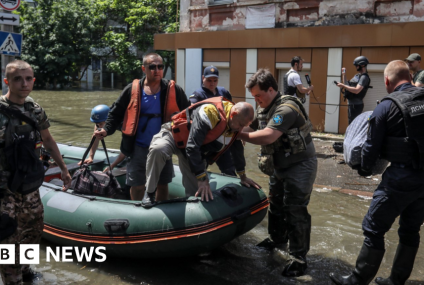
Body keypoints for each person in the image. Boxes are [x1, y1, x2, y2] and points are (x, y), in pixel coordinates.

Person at [329, 60, 424, 285]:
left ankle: (357, 280)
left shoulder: (387, 106)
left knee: (373, 228)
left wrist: (364, 169)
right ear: (410, 77)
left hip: (400, 179)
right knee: (410, 230)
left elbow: (371, 147)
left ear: (387, 81)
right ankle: (396, 281)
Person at [240, 69, 317, 277]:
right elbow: (252, 128)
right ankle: (276, 240)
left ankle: (299, 258)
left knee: (295, 209)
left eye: (258, 95)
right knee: (275, 205)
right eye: (254, 96)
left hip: (300, 165)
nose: (256, 100)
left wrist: (237, 133)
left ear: (272, 89)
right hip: (280, 165)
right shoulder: (265, 107)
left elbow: (266, 136)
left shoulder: (286, 108)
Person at [0, 60, 71, 285]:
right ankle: (13, 279)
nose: (24, 83)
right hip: (4, 187)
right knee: (8, 235)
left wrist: (63, 168)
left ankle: (26, 269)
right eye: (18, 79)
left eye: (28, 78)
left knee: (33, 228)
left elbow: (48, 140)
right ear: (7, 81)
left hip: (29, 183)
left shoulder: (35, 109)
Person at [94, 53, 190, 201]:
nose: (157, 70)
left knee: (162, 184)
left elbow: (188, 113)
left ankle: (160, 213)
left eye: (160, 66)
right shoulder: (131, 89)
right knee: (137, 186)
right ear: (143, 68)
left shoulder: (173, 89)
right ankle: (137, 211)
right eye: (152, 67)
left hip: (163, 146)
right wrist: (106, 129)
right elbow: (115, 112)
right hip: (138, 146)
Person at [142, 97, 260, 207]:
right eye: (240, 125)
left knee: (197, 195)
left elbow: (237, 152)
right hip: (175, 135)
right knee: (158, 149)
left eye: (243, 127)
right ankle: (149, 192)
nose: (240, 130)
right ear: (233, 114)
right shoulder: (210, 112)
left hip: (193, 152)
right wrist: (202, 179)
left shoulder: (234, 125)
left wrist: (243, 177)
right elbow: (192, 146)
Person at [189, 65, 236, 176]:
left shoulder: (223, 92)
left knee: (229, 168)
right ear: (203, 78)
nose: (212, 83)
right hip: (205, 139)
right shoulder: (197, 95)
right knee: (200, 167)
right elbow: (192, 114)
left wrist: (237, 134)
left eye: (215, 80)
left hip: (222, 137)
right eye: (209, 80)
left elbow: (232, 112)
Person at [336, 56, 371, 124]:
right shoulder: (357, 76)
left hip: (356, 105)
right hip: (351, 104)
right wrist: (344, 74)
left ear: (362, 65)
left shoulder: (364, 77)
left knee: (354, 124)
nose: (356, 67)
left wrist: (343, 86)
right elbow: (347, 85)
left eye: (357, 65)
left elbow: (357, 90)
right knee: (351, 123)